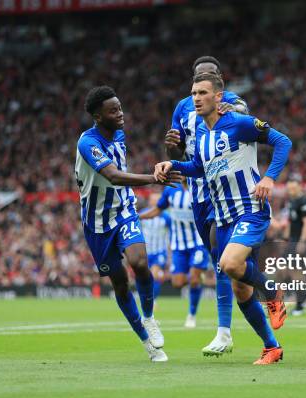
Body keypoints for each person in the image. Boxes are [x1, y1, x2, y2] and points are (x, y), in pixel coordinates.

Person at [155, 72, 293, 364]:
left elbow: (283, 142)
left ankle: (272, 291)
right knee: (240, 287)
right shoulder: (203, 137)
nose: (196, 98)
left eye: (203, 93)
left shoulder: (240, 123)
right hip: (225, 217)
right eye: (193, 93)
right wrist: (172, 163)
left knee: (228, 263)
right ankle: (272, 347)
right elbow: (199, 168)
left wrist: (269, 178)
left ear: (219, 97)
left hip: (250, 210)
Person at [76, 85, 181, 362]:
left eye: (120, 108)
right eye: (113, 110)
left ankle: (149, 317)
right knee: (120, 284)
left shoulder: (119, 134)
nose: (120, 114)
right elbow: (113, 175)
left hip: (124, 211)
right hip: (97, 224)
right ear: (98, 116)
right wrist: (153, 179)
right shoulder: (88, 143)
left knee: (140, 263)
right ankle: (147, 343)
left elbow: (119, 180)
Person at [165, 56, 248, 356]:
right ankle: (257, 289)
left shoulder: (232, 101)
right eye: (197, 79)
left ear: (218, 81)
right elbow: (180, 150)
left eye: (209, 76)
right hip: (197, 191)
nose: (202, 84)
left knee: (220, 251)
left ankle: (223, 331)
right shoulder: (182, 108)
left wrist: (231, 110)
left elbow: (244, 119)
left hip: (224, 189)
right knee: (220, 261)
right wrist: (170, 144)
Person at [141, 178, 210, 329]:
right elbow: (158, 209)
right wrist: (139, 216)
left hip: (198, 242)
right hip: (178, 245)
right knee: (177, 282)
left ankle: (191, 315)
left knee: (193, 280)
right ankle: (198, 276)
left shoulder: (200, 187)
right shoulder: (171, 190)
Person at [285, 180, 306, 315]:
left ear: (299, 188)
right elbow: (292, 223)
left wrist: (302, 240)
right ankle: (301, 299)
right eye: (289, 188)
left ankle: (301, 303)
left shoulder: (303, 201)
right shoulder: (293, 201)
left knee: (297, 271)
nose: (291, 190)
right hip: (293, 240)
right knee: (293, 270)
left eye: (293, 188)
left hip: (300, 240)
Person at [140, 192, 171, 300]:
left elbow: (170, 234)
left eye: (158, 199)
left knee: (154, 275)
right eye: (154, 199)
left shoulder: (166, 217)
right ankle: (147, 299)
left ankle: (153, 300)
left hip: (159, 251)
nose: (156, 201)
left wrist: (169, 254)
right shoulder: (142, 215)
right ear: (149, 201)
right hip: (145, 252)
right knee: (145, 277)